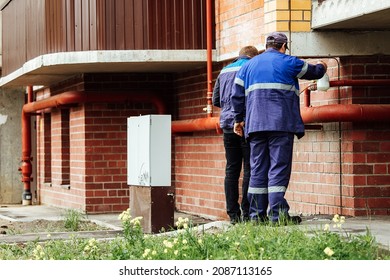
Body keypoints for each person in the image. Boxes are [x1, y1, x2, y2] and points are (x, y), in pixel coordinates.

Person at [231, 32, 327, 225]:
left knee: (258, 169)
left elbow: (237, 95)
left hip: (256, 126)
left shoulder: (247, 66)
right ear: (283, 46)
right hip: (281, 125)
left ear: (267, 46)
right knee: (278, 168)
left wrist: (238, 120)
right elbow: (315, 72)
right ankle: (277, 216)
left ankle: (256, 216)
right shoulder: (289, 62)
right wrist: (323, 65)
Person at [212, 45, 260, 224]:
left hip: (227, 125)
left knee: (232, 169)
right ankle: (247, 212)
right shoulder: (251, 68)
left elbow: (216, 100)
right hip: (246, 124)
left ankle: (233, 215)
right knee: (249, 168)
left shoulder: (224, 70)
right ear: (253, 57)